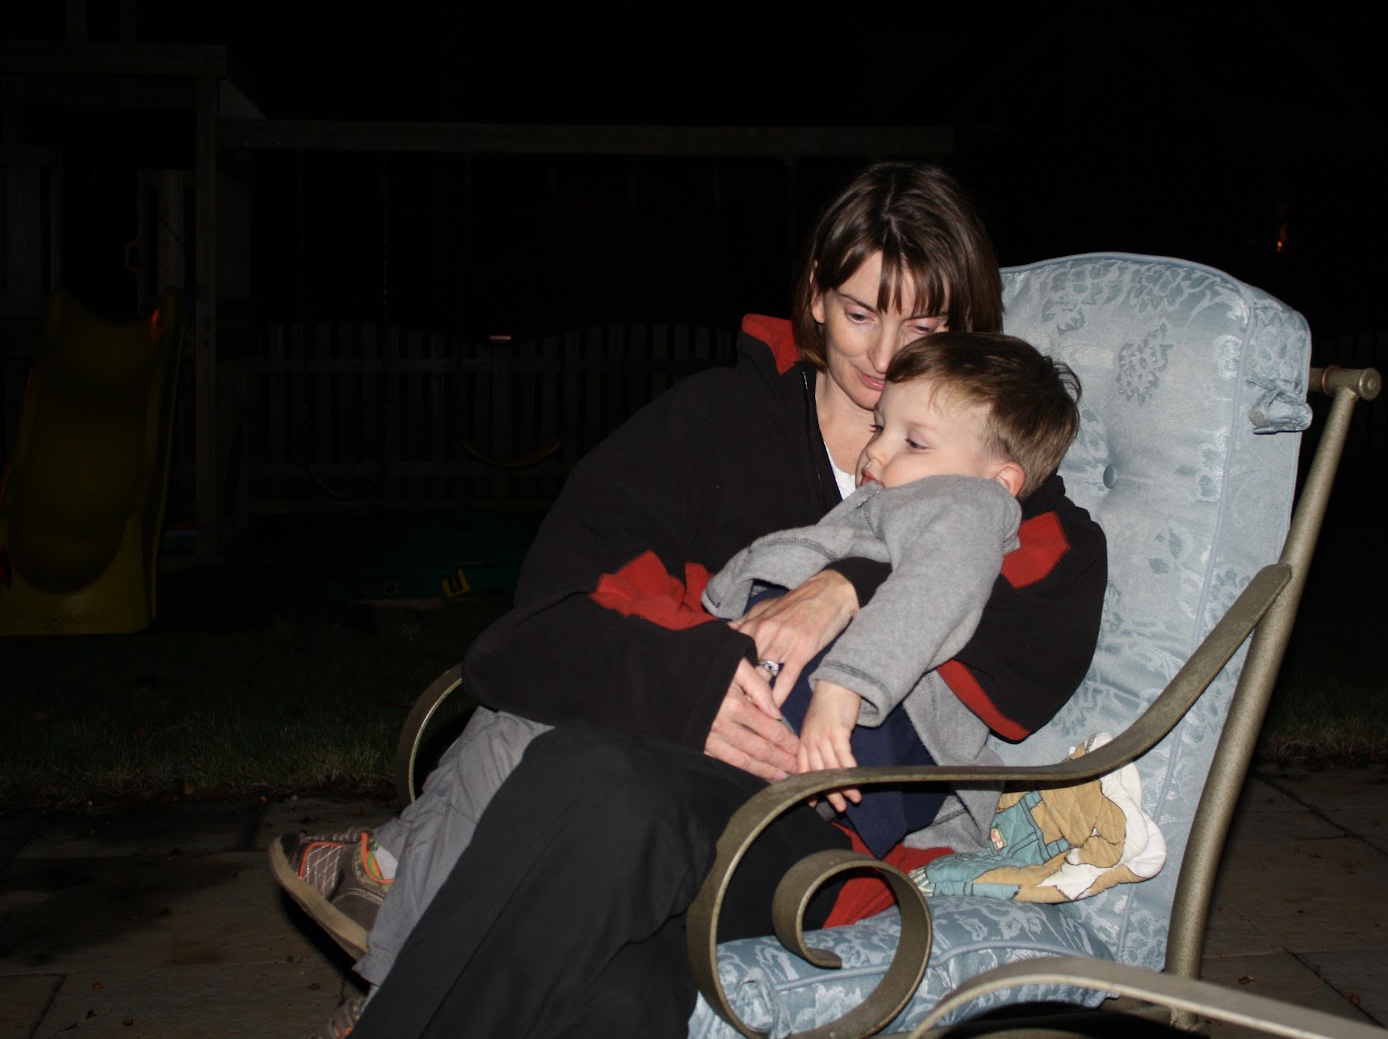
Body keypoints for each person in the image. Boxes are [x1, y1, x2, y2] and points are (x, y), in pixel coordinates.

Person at [272, 161, 1107, 1038]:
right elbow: (553, 608)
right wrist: (696, 683)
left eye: (923, 325)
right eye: (860, 313)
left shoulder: (1008, 500)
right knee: (617, 991)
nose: (884, 353)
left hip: (822, 834)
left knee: (590, 775)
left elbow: (1030, 640)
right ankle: (405, 958)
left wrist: (850, 586)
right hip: (667, 781)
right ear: (815, 298)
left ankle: (395, 898)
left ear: (965, 329)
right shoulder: (716, 424)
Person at [702, 330, 1085, 858]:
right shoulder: (902, 500)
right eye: (880, 427)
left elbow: (927, 594)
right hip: (816, 705)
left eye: (914, 442)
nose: (876, 451)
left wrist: (843, 689)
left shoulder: (969, 502)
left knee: (699, 806)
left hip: (872, 718)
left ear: (999, 481)